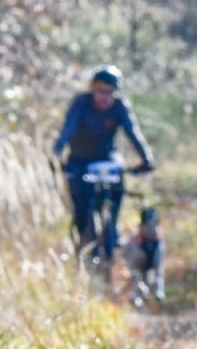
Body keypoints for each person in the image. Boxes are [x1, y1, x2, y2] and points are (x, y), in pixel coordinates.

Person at [54, 66, 156, 261]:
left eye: (109, 92)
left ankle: (113, 226)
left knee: (117, 184)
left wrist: (146, 159)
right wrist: (57, 153)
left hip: (106, 158)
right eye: (100, 91)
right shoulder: (80, 104)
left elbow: (133, 133)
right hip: (79, 160)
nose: (104, 97)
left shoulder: (120, 107)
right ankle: (80, 242)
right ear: (92, 89)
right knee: (81, 203)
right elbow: (67, 130)